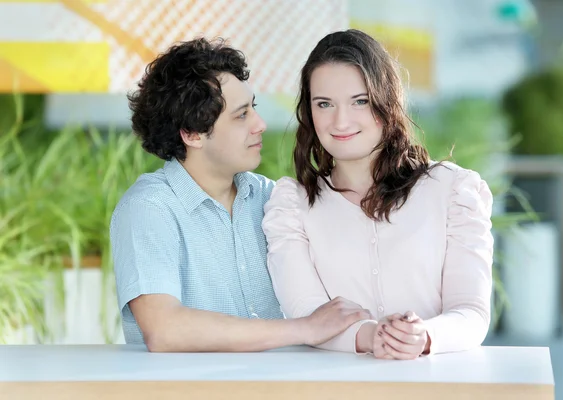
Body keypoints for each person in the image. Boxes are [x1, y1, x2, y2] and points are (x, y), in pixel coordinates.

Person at [110, 36, 371, 352]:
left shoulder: (271, 198)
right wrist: (303, 329)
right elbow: (165, 329)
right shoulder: (149, 208)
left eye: (254, 108)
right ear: (192, 134)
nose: (260, 124)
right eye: (241, 115)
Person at [262, 29, 494, 360]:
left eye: (360, 101)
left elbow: (471, 312)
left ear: (387, 101)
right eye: (324, 104)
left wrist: (423, 336)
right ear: (309, 112)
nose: (341, 121)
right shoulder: (291, 205)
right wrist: (373, 337)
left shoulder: (453, 191)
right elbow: (306, 314)